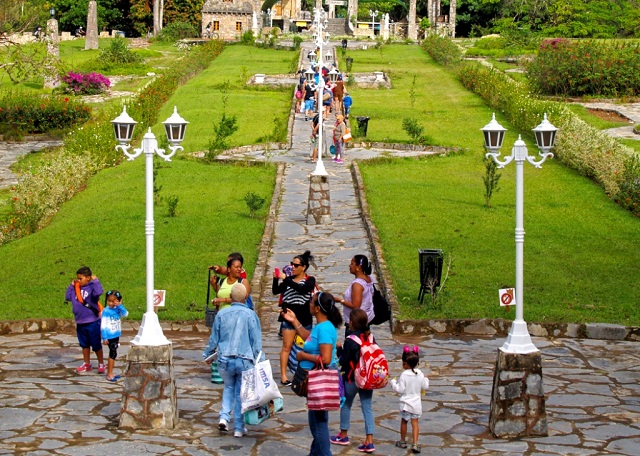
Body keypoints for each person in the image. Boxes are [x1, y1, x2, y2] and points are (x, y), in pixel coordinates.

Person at [283, 291, 343, 456]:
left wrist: (303, 356)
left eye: (311, 302)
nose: (309, 304)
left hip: (319, 378)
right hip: (316, 379)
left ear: (317, 308)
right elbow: (310, 339)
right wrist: (295, 321)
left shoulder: (324, 329)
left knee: (319, 423)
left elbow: (325, 358)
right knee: (316, 420)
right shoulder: (322, 326)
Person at [203, 283, 263, 438]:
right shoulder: (250, 315)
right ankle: (238, 427)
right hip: (244, 359)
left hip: (225, 359)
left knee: (229, 387)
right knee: (240, 392)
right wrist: (260, 360)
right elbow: (256, 342)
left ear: (230, 298)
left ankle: (224, 417)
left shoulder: (222, 315)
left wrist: (207, 354)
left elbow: (214, 338)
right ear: (245, 298)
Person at [330, 309, 376, 453]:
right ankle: (369, 440)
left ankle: (343, 435)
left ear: (351, 322)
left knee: (346, 404)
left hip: (352, 378)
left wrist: (339, 349)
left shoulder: (350, 340)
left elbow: (344, 361)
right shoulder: (370, 337)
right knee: (367, 407)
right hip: (368, 378)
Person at [272, 250, 316, 385]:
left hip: (304, 318)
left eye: (296, 265)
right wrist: (276, 278)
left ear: (304, 267)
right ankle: (284, 376)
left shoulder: (310, 280)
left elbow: (302, 290)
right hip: (289, 318)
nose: (293, 267)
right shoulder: (289, 280)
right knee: (287, 346)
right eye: (292, 264)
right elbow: (276, 291)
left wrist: (285, 279)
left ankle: (305, 373)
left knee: (306, 347)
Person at [65, 266, 105, 374]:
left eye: (80, 278)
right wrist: (71, 286)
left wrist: (95, 281)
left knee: (96, 344)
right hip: (80, 321)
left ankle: (101, 363)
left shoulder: (92, 287)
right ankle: (86, 363)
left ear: (88, 278)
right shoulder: (76, 288)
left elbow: (99, 292)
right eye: (77, 278)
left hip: (92, 321)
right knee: (84, 344)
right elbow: (68, 297)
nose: (78, 281)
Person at [390, 346, 430, 454]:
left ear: (405, 364)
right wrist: (426, 378)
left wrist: (393, 383)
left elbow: (400, 389)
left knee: (404, 422)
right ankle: (415, 444)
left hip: (405, 404)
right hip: (416, 404)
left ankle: (402, 441)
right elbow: (425, 386)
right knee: (415, 423)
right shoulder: (420, 374)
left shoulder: (404, 375)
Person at [335, 255, 374, 335]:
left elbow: (356, 305)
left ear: (358, 267)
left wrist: (340, 300)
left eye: (352, 263)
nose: (349, 265)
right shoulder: (369, 278)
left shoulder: (357, 284)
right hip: (366, 318)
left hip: (356, 322)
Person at [100, 290, 128, 382]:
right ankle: (109, 373)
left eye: (114, 301)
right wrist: (104, 337)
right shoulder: (106, 311)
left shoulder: (118, 309)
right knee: (112, 353)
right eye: (110, 301)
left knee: (114, 352)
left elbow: (125, 314)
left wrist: (119, 305)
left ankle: (111, 372)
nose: (112, 303)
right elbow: (103, 325)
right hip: (110, 335)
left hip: (116, 334)